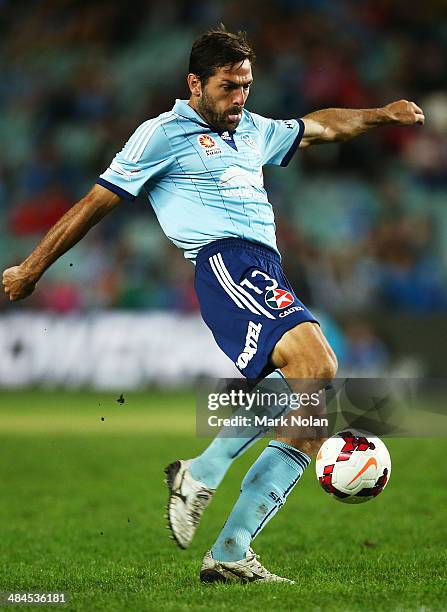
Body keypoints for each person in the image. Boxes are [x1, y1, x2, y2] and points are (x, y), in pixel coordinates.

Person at [2, 26, 424, 583]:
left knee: (307, 415)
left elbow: (321, 126)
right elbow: (94, 203)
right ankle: (203, 469)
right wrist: (31, 269)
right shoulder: (160, 135)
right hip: (225, 262)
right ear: (195, 84)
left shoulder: (250, 128)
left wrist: (382, 114)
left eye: (246, 86)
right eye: (228, 87)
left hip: (266, 267)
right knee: (318, 365)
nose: (239, 98)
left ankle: (229, 551)